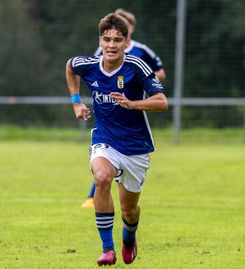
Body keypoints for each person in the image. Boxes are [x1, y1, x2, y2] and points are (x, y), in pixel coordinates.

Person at [66, 13, 168, 265]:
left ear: (126, 42)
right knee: (101, 178)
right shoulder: (88, 65)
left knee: (129, 211)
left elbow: (162, 102)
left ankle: (129, 238)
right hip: (104, 139)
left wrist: (132, 104)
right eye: (107, 39)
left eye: (118, 40)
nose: (112, 45)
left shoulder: (136, 67)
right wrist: (76, 102)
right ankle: (107, 249)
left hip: (135, 146)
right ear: (100, 41)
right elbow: (70, 67)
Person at [81, 8, 167, 209]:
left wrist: (141, 81)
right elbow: (92, 70)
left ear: (130, 31)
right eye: (107, 38)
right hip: (108, 111)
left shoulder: (141, 52)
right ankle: (92, 195)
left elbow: (160, 73)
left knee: (128, 207)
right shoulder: (105, 50)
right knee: (102, 170)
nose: (112, 43)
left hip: (136, 105)